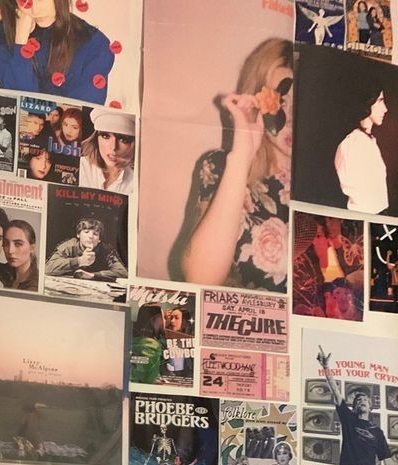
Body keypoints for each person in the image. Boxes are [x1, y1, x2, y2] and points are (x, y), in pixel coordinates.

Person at [174, 38, 292, 293]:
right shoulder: (221, 166)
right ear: (260, 100)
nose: (292, 117)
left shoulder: (339, 180)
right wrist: (241, 159)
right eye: (281, 101)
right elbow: (199, 279)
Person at [317, 345, 398, 465]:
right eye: (358, 400)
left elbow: (387, 460)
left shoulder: (377, 432)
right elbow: (336, 392)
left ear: (370, 407)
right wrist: (326, 368)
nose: (362, 401)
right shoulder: (349, 419)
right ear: (354, 407)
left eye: (365, 400)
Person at [0, 0, 114, 105]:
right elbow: (15, 102)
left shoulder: (94, 43)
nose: (35, 10)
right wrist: (20, 42)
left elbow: (81, 112)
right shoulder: (4, 33)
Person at [334, 83, 388, 214]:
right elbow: (362, 200)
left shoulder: (367, 141)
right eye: (380, 101)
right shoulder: (353, 144)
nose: (385, 109)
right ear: (367, 101)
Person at [293, 216, 363, 316]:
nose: (312, 243)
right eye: (309, 238)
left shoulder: (344, 268)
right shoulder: (303, 271)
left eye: (317, 236)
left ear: (327, 240)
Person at [45, 217, 127, 280]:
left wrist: (94, 275)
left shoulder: (106, 251)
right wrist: (79, 261)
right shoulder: (68, 246)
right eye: (86, 232)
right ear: (78, 235)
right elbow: (48, 269)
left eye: (95, 234)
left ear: (99, 240)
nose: (91, 236)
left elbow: (122, 273)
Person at [79, 107, 135, 193]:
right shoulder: (81, 167)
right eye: (105, 136)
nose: (113, 147)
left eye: (123, 139)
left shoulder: (135, 180)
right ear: (96, 139)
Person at [129, 303, 164, 385]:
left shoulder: (133, 340)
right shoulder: (151, 345)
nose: (164, 321)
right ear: (152, 320)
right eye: (162, 318)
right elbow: (149, 379)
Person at [3, 220, 39, 291]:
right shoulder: (3, 271)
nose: (10, 251)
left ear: (32, 248)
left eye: (18, 244)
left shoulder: (35, 285)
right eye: (6, 243)